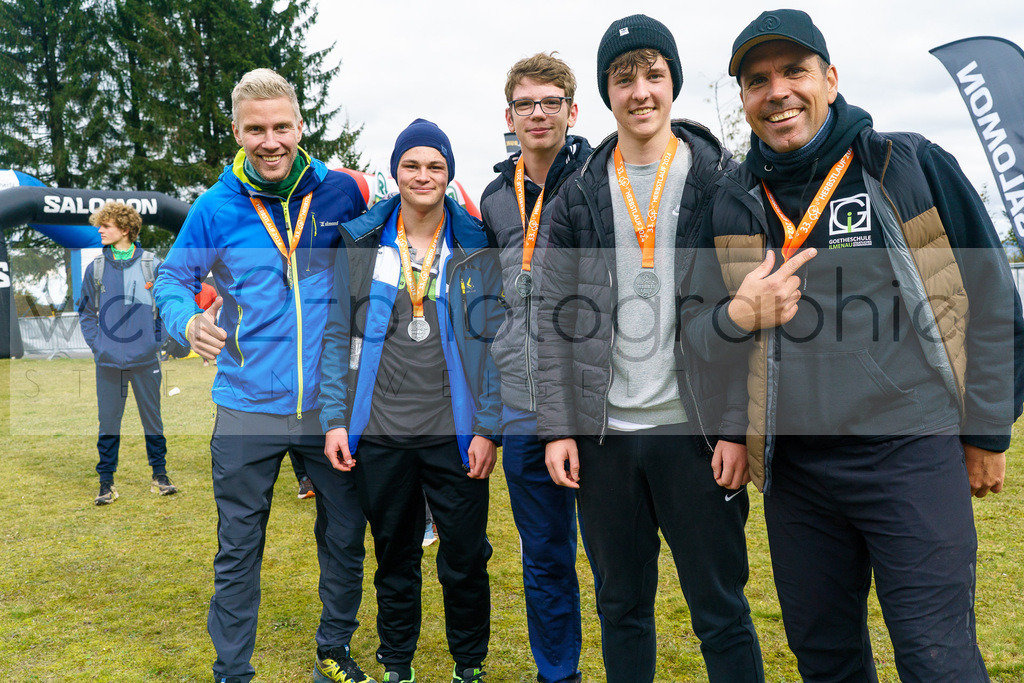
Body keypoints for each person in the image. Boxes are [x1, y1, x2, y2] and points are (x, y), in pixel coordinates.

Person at [683, 9, 1024, 682]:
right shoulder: (731, 200)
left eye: (794, 71)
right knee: (826, 658)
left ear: (830, 79)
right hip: (798, 475)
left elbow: (993, 304)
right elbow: (697, 337)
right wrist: (743, 319)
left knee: (937, 658)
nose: (776, 91)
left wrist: (987, 432)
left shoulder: (908, 165)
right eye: (757, 80)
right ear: (744, 99)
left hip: (911, 455)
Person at [536, 15, 764, 683]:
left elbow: (751, 320)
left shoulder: (724, 180)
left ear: (674, 83)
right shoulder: (575, 194)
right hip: (605, 440)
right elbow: (551, 320)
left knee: (720, 609)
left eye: (654, 74)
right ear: (608, 91)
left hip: (695, 437)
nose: (641, 90)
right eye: (624, 76)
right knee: (621, 607)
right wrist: (558, 429)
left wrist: (736, 427)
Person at [153, 68, 372, 683]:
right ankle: (232, 671)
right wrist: (184, 323)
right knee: (238, 548)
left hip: (329, 407)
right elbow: (170, 281)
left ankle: (334, 647)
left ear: (301, 126)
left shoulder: (339, 194)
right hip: (248, 403)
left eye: (281, 127)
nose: (270, 141)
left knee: (345, 535)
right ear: (237, 131)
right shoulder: (215, 207)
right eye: (256, 130)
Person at [319, 119, 503, 683]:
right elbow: (334, 336)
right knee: (394, 556)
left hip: (457, 434)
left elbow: (494, 343)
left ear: (449, 176)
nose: (423, 176)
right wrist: (333, 420)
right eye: (412, 165)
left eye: (436, 166)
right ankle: (396, 662)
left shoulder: (473, 244)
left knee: (465, 559)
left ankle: (468, 663)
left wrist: (489, 428)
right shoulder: (361, 241)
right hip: (381, 432)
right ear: (396, 172)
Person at [479, 51, 591, 683]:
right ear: (510, 115)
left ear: (572, 112)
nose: (539, 114)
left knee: (611, 558)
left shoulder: (601, 178)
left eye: (552, 102)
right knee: (545, 555)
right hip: (523, 404)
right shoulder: (497, 197)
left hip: (593, 400)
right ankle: (559, 673)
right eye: (527, 104)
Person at [79, 200, 176, 505]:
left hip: (146, 360)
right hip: (108, 362)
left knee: (153, 419)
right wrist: (98, 346)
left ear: (124, 229)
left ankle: (160, 476)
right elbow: (85, 313)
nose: (99, 230)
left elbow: (167, 309)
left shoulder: (152, 264)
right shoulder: (95, 267)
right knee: (108, 422)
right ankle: (106, 482)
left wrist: (154, 341)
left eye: (105, 226)